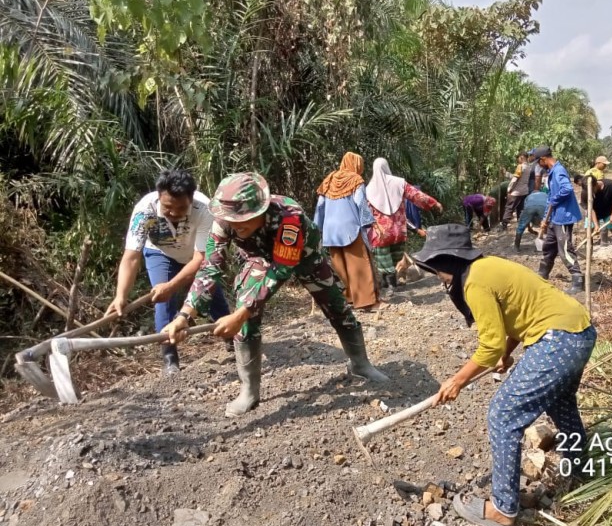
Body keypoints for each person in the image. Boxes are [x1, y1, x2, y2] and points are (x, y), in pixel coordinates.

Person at [412, 224, 596, 526]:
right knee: (560, 405)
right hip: (580, 331)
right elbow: (515, 316)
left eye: (438, 272)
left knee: (503, 414)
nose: (440, 279)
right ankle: (582, 474)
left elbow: (489, 344)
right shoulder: (487, 267)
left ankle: (502, 509)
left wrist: (456, 380)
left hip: (557, 340)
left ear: (449, 261)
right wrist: (508, 354)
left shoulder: (474, 282)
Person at [162, 172, 388, 418]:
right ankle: (249, 390)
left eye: (243, 221)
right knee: (246, 316)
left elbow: (281, 270)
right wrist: (185, 314)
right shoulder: (223, 220)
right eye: (232, 221)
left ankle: (360, 364)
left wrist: (240, 313)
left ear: (260, 210)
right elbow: (210, 268)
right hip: (258, 259)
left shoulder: (290, 217)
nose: (236, 227)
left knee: (336, 306)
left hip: (304, 256)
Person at [107, 168, 231, 376]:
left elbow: (201, 259)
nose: (173, 213)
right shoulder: (144, 211)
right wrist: (121, 296)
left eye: (180, 208)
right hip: (160, 253)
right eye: (167, 207)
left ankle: (232, 338)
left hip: (194, 255)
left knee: (210, 293)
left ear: (191, 199)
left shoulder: (205, 210)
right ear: (158, 197)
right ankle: (170, 358)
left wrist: (172, 285)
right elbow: (131, 256)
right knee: (163, 302)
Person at [314, 152, 381, 312]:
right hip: (350, 228)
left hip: (331, 231)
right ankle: (367, 302)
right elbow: (360, 202)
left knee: (340, 266)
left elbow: (320, 206)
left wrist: (317, 227)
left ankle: (349, 298)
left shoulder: (328, 180)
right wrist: (370, 222)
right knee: (359, 264)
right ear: (357, 164)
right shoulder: (355, 180)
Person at [365, 158, 442, 294]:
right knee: (395, 258)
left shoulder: (368, 189)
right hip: (398, 231)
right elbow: (416, 195)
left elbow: (364, 211)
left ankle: (389, 286)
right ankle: (388, 284)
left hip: (380, 233)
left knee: (384, 260)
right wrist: (433, 203)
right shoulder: (399, 183)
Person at [532, 146, 584, 294]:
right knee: (549, 246)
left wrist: (554, 199)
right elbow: (550, 198)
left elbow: (567, 189)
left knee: (565, 249)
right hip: (555, 217)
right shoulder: (551, 172)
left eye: (538, 162)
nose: (538, 165)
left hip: (563, 216)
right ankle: (543, 274)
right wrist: (545, 220)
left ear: (543, 159)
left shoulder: (559, 170)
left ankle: (577, 279)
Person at [589, 177, 612, 257]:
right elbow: (591, 209)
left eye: (592, 190)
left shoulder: (610, 186)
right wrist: (596, 224)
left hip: (608, 212)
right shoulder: (586, 191)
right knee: (588, 232)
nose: (591, 192)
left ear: (596, 185)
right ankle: (588, 256)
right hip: (593, 212)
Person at [500, 153, 533, 231]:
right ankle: (521, 224)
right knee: (521, 208)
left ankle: (504, 225)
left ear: (521, 158)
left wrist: (509, 190)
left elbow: (515, 179)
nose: (518, 160)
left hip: (516, 192)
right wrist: (506, 173)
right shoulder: (528, 167)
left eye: (518, 158)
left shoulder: (520, 166)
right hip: (524, 191)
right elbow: (516, 176)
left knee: (509, 208)